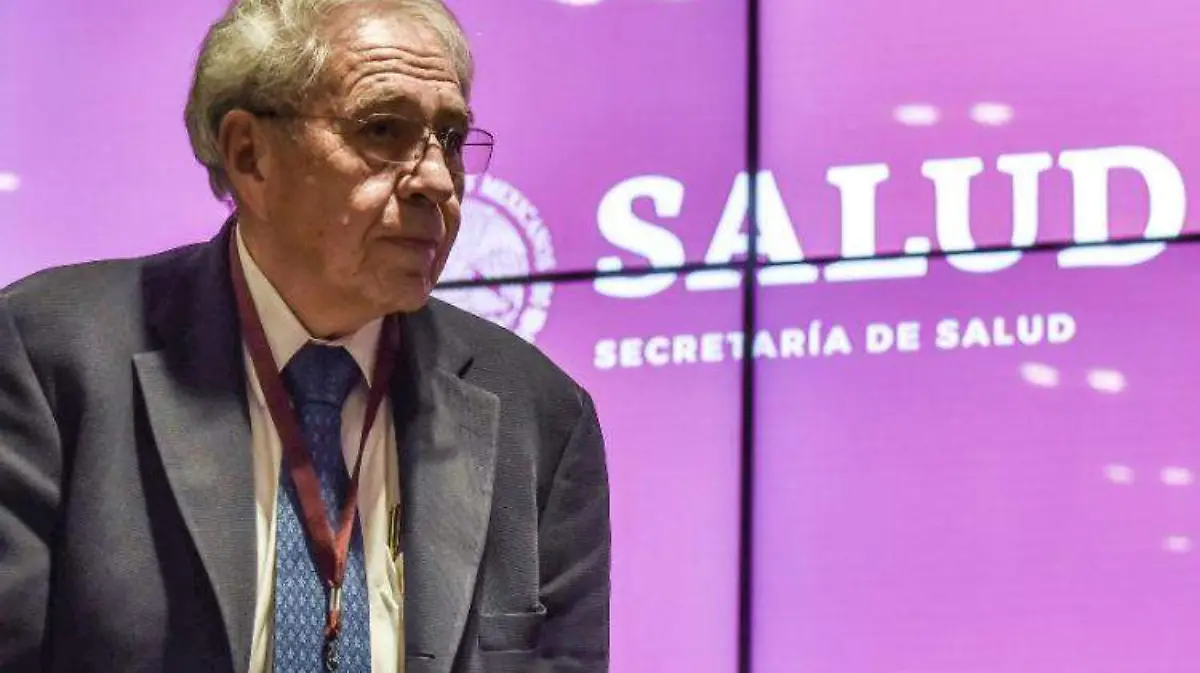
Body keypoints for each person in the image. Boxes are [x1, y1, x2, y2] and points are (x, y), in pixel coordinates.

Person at [0, 0, 610, 671]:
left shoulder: (540, 415)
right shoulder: (48, 357)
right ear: (250, 155)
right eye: (384, 129)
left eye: (452, 138)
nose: (438, 180)